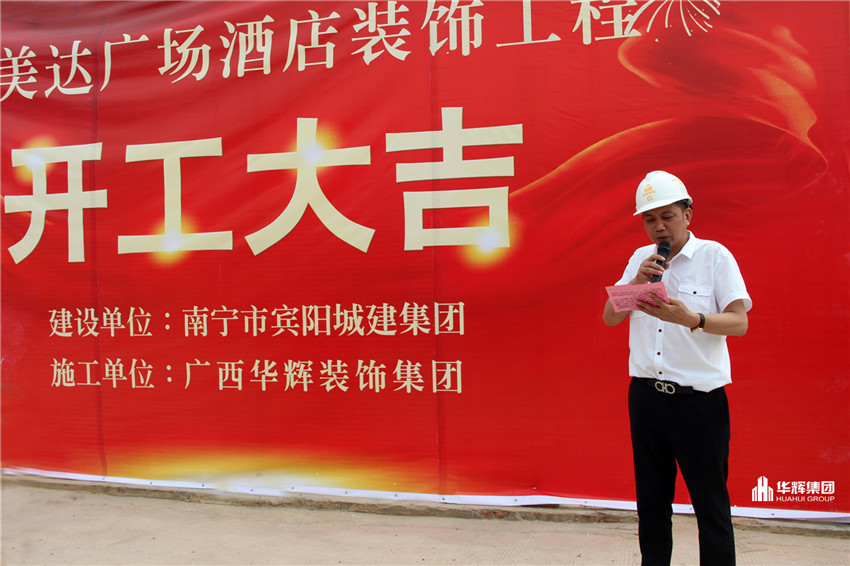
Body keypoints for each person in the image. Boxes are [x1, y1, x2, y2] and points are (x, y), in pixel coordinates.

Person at [602, 170, 752, 566]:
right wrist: (637, 280)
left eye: (667, 216)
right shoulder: (641, 259)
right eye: (649, 219)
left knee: (710, 505)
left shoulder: (715, 257)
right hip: (647, 399)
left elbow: (739, 322)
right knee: (651, 504)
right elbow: (610, 317)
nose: (659, 227)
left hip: (698, 403)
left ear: (688, 214)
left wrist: (693, 320)